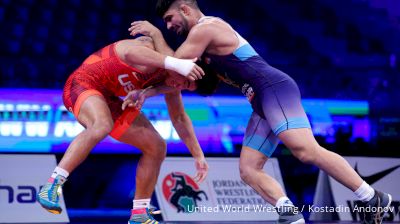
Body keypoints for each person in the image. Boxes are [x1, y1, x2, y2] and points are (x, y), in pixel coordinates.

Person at [128, 1, 393, 223]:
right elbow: (185, 81)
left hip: (274, 89)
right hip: (261, 101)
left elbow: (173, 66)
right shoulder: (201, 42)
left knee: (305, 151)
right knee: (249, 169)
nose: (169, 25)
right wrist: (145, 92)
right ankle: (291, 217)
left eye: (169, 18)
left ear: (185, 9)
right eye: (164, 23)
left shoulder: (205, 29)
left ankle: (373, 198)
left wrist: (155, 35)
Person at [36, 36, 209, 224]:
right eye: (185, 80)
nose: (179, 86)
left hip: (108, 97)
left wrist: (198, 155)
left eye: (186, 87)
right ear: (185, 66)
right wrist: (169, 56)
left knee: (157, 146)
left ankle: (140, 213)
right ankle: (52, 186)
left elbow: (179, 118)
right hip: (83, 83)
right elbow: (128, 52)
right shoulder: (154, 52)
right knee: (101, 125)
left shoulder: (172, 81)